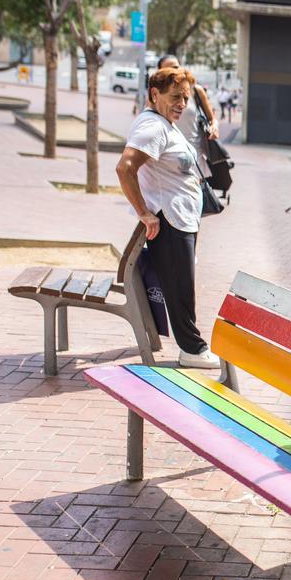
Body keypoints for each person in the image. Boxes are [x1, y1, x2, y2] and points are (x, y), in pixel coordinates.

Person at [115, 67, 219, 369]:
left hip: (180, 219)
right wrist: (144, 213)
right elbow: (125, 169)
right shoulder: (153, 127)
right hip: (170, 221)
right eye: (175, 97)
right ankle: (192, 349)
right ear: (154, 94)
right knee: (180, 287)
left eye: (185, 98)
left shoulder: (164, 124)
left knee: (183, 285)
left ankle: (192, 347)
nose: (182, 104)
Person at [155, 55, 219, 153]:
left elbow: (212, 119)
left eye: (176, 67)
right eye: (167, 69)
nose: (173, 71)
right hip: (167, 154)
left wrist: (214, 127)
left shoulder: (196, 90)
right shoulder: (156, 93)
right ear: (160, 72)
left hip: (195, 153)